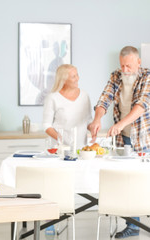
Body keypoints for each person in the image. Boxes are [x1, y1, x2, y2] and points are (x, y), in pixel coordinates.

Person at [88, 46, 150, 239]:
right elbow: (104, 99)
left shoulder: (148, 77)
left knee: (145, 181)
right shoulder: (116, 75)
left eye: (129, 65)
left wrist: (120, 124)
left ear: (138, 63)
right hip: (125, 138)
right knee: (127, 180)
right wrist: (97, 119)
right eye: (122, 65)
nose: (125, 69)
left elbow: (142, 105)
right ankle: (133, 225)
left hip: (144, 137)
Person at [42, 64, 92, 149]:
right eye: (73, 76)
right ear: (64, 80)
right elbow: (46, 125)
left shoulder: (84, 96)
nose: (77, 78)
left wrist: (94, 128)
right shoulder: (52, 97)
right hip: (60, 149)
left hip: (81, 149)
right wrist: (61, 139)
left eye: (77, 75)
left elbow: (88, 121)